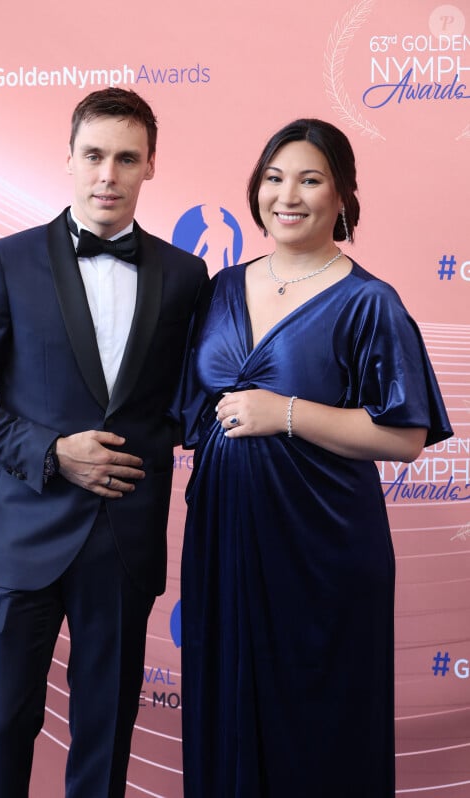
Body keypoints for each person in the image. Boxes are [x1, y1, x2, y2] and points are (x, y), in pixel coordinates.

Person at [0, 87, 208, 798]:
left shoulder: (186, 276)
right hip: (19, 537)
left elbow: (184, 404)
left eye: (125, 158)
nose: (107, 175)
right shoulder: (5, 261)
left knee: (106, 737)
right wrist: (54, 453)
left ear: (150, 165)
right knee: (0, 734)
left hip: (122, 543)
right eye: (93, 156)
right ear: (68, 159)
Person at [177, 118, 452, 797]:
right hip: (224, 543)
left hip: (322, 551)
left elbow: (405, 438)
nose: (287, 195)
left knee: (317, 732)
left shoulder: (369, 302)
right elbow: (183, 412)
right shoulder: (219, 288)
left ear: (342, 197)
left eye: (310, 179)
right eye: (274, 178)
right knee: (228, 709)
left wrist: (287, 414)